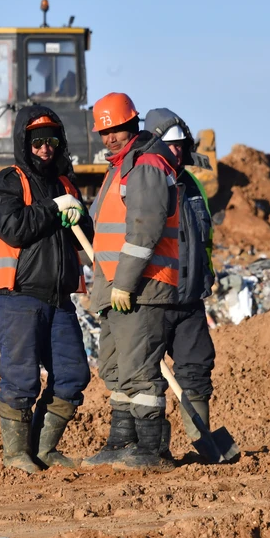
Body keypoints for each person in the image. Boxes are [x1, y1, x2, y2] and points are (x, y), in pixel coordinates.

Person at [0, 105, 94, 474]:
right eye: (38, 141)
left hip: (58, 299)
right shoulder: (7, 182)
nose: (46, 148)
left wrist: (79, 214)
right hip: (18, 295)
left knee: (73, 374)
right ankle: (15, 455)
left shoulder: (66, 184)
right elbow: (15, 227)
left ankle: (43, 450)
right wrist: (53, 208)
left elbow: (85, 238)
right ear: (24, 143)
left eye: (52, 141)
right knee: (21, 377)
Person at [83, 92, 182, 472]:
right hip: (115, 288)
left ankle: (151, 449)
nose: (110, 137)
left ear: (133, 125)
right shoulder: (119, 169)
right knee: (116, 368)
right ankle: (121, 441)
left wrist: (124, 282)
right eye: (104, 132)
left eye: (118, 129)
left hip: (142, 287)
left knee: (139, 370)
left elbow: (145, 230)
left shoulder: (146, 166)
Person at [144, 108, 218, 461]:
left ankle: (202, 442)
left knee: (196, 367)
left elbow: (205, 237)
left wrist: (208, 272)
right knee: (147, 379)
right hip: (155, 299)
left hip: (189, 298)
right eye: (170, 146)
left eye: (180, 146)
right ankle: (154, 449)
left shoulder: (192, 184)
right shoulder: (146, 182)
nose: (177, 152)